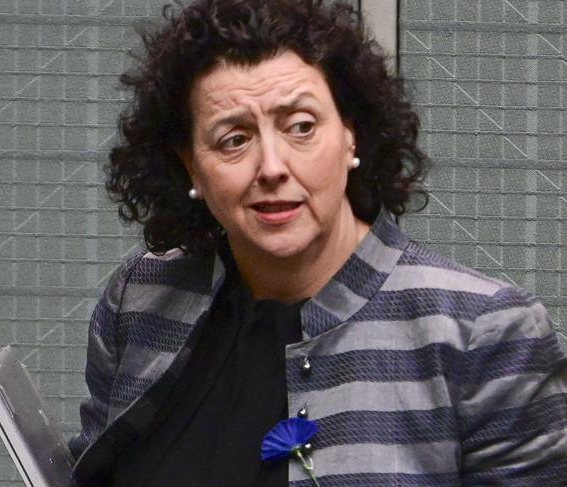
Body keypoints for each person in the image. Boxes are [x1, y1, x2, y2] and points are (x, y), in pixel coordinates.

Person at [69, 0, 567, 485]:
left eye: (300, 127)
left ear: (351, 133)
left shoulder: (484, 334)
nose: (271, 167)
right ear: (189, 166)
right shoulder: (141, 297)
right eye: (234, 139)